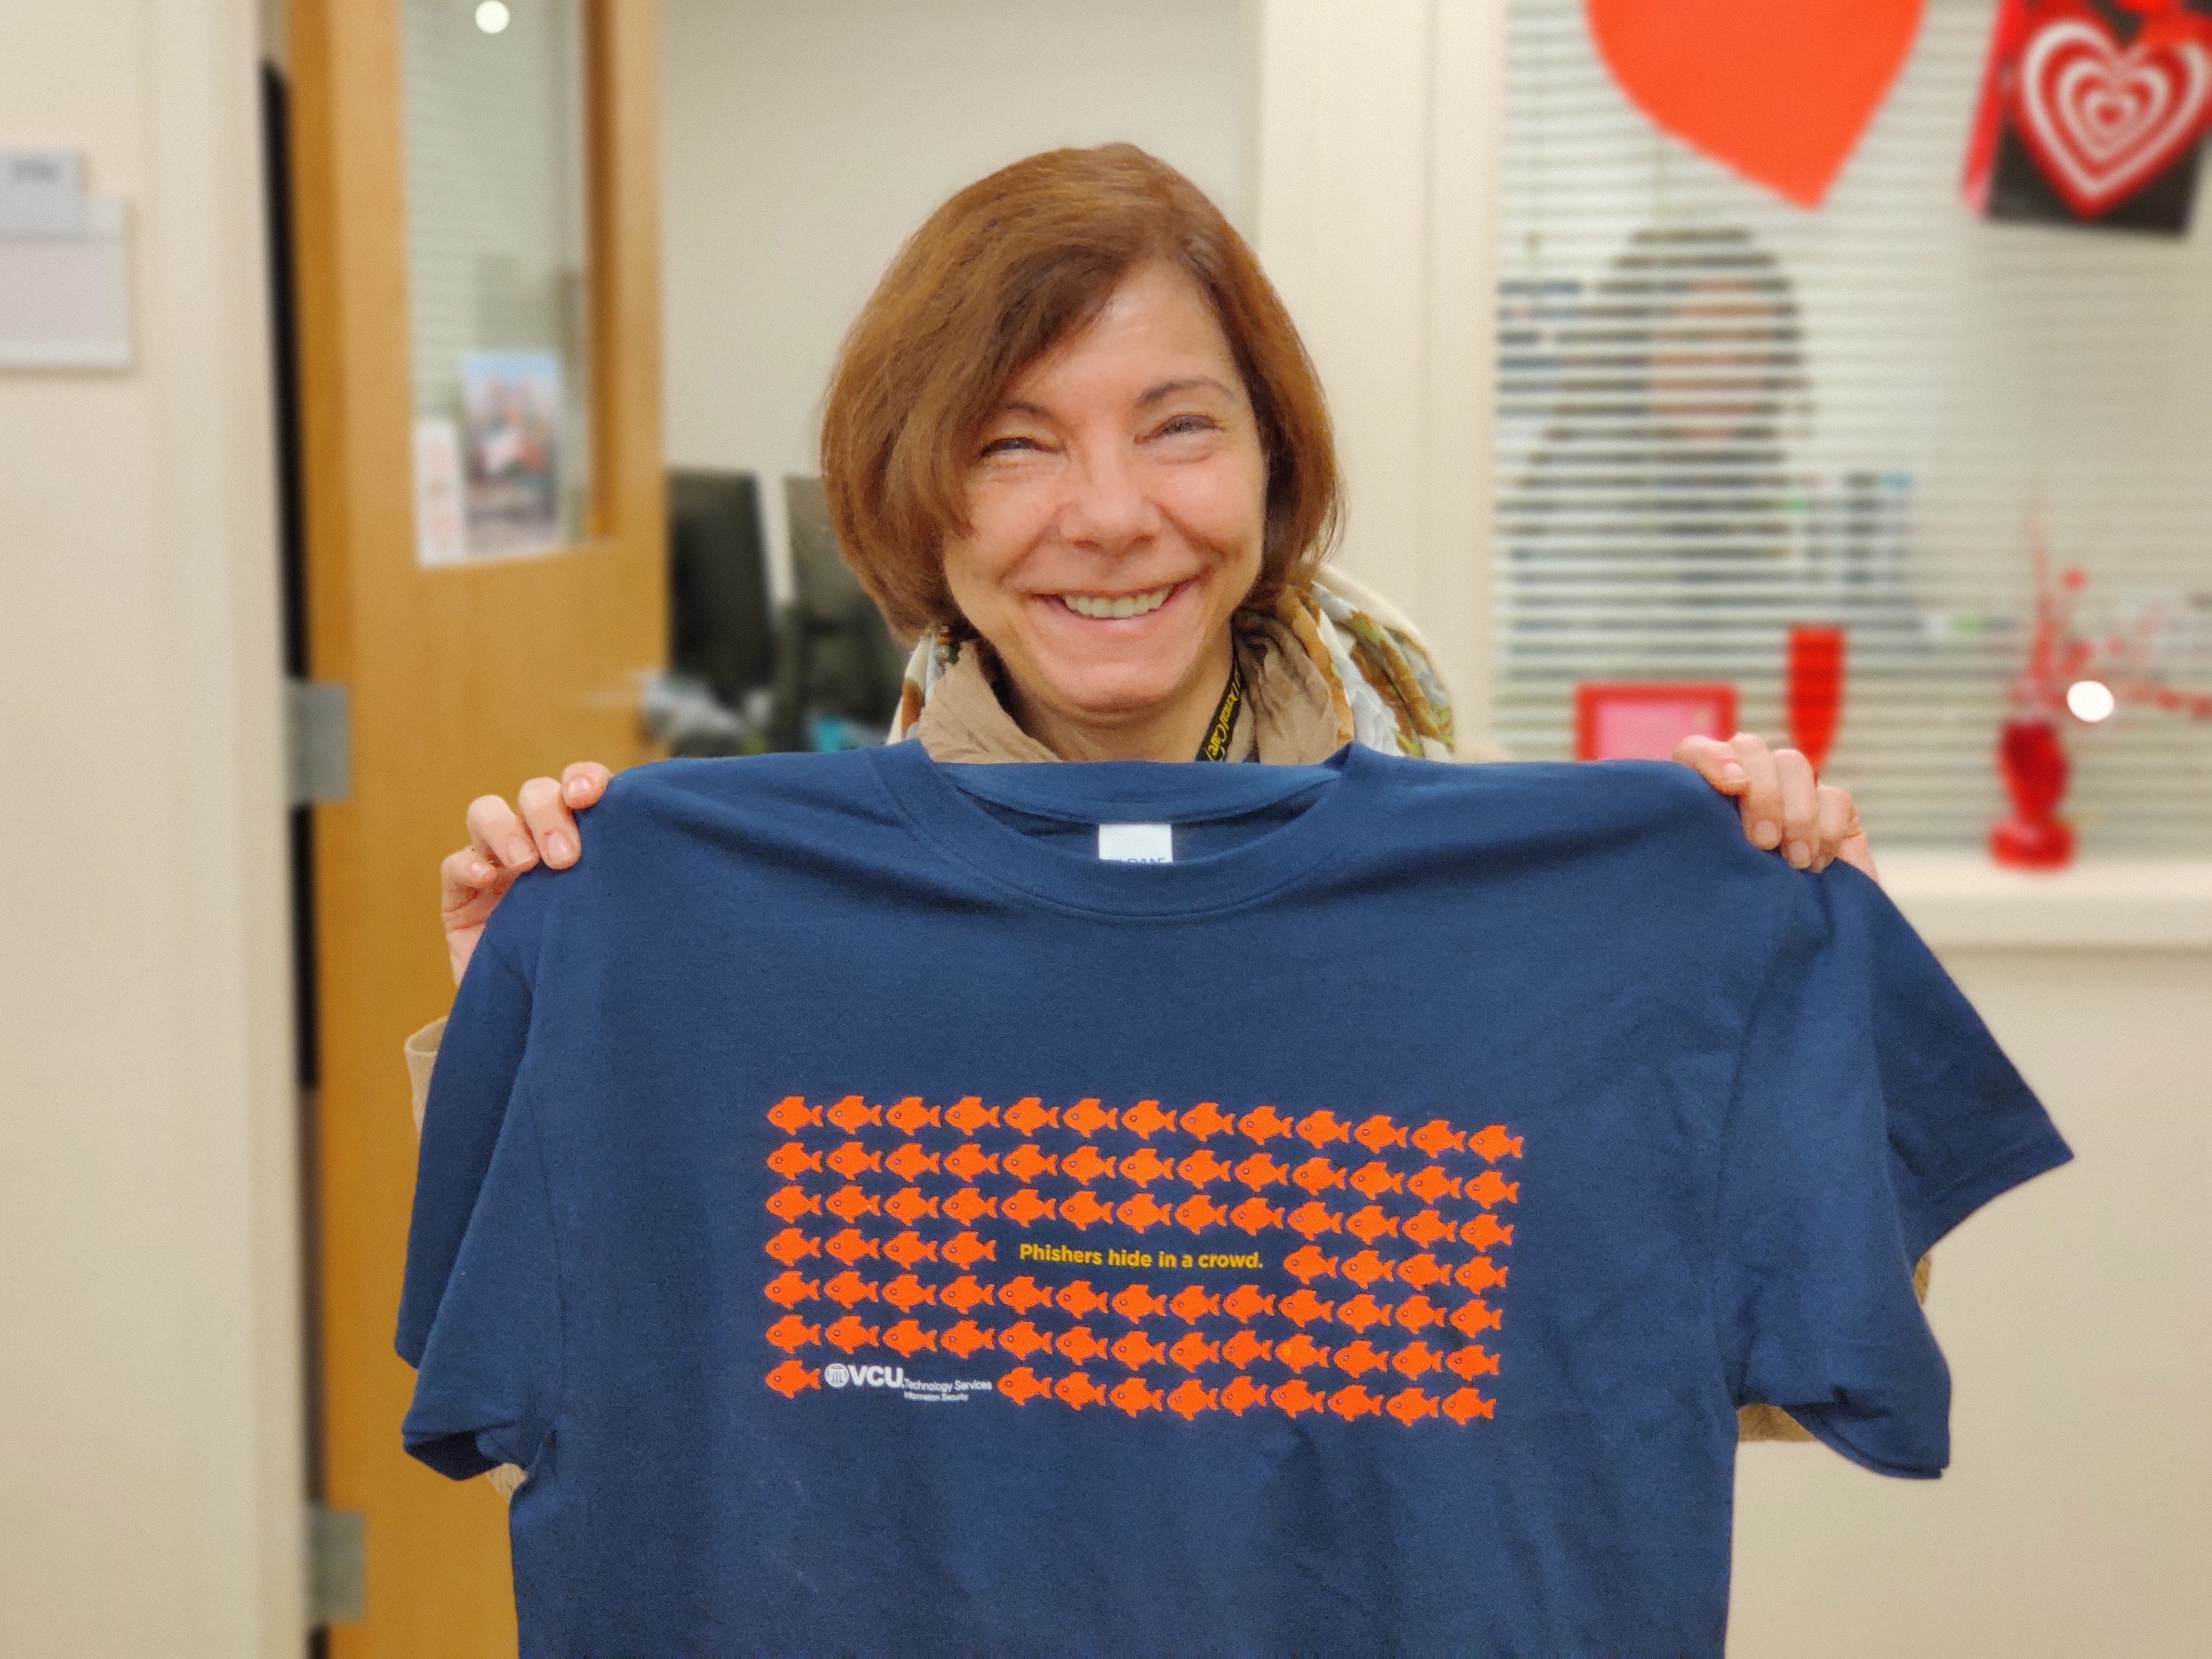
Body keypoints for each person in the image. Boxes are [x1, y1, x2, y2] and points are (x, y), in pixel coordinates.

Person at [429, 144, 1870, 991]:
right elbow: (617, 1383)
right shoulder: (795, 935)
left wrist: (1790, 955)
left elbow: (1730, 1345)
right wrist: (537, 1013)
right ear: (912, 502)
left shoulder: (1474, 855)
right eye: (1014, 445)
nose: (1113, 515)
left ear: (1273, 465)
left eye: (1181, 426)